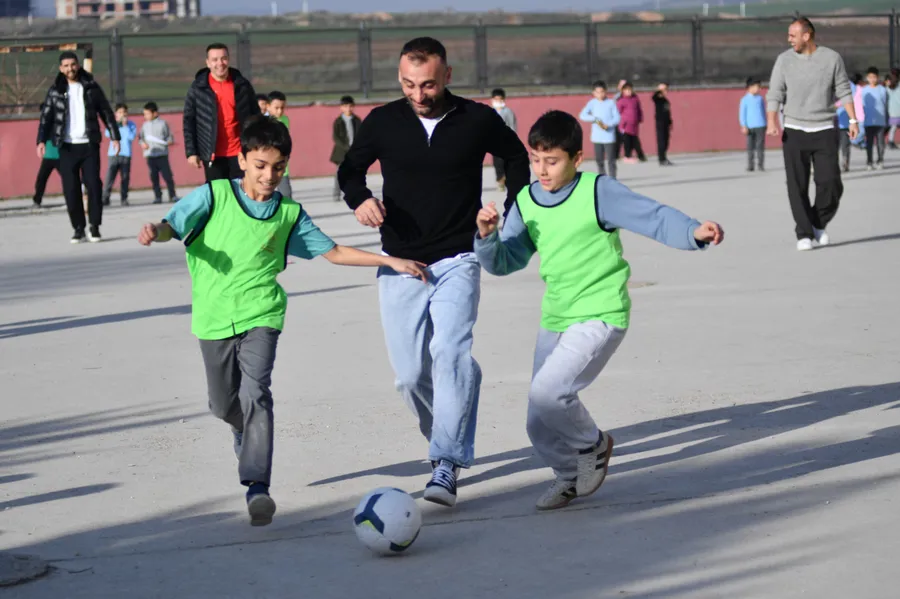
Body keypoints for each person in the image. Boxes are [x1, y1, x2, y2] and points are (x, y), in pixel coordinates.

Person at [136, 116, 426, 527]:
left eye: (278, 167)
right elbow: (173, 227)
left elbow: (333, 252)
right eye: (260, 165)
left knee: (257, 393)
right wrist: (156, 231)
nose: (269, 175)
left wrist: (390, 261)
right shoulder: (214, 195)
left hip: (263, 314)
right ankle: (243, 430)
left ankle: (257, 486)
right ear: (242, 160)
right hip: (213, 318)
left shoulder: (288, 213)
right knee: (223, 405)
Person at [473, 110, 723, 510]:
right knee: (538, 420)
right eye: (535, 159)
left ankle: (594, 445)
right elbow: (505, 262)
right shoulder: (526, 201)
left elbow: (651, 216)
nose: (542, 170)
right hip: (556, 316)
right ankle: (568, 475)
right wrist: (486, 238)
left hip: (600, 311)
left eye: (552, 161)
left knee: (549, 391)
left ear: (577, 158)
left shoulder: (597, 191)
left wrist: (692, 231)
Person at [337, 37, 530, 507]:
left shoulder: (476, 119)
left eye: (427, 84)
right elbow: (350, 170)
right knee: (409, 376)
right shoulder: (383, 121)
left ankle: (445, 460)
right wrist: (360, 199)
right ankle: (448, 420)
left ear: (447, 76)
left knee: (449, 351)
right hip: (400, 262)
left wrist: (515, 211)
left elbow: (517, 157)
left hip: (459, 256)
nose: (418, 94)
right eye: (408, 84)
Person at [766, 17, 857, 251]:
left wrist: (853, 119)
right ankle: (804, 233)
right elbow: (775, 93)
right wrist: (772, 121)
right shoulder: (784, 60)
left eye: (792, 35)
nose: (789, 39)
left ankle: (817, 223)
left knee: (831, 183)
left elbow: (844, 90)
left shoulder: (831, 58)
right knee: (797, 185)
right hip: (794, 131)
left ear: (807, 36)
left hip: (824, 129)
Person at [37, 51, 120, 243]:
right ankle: (78, 228)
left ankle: (94, 226)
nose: (70, 69)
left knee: (94, 186)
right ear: (61, 68)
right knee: (71, 189)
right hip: (66, 147)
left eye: (73, 64)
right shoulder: (55, 90)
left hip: (89, 145)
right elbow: (46, 117)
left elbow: (106, 112)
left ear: (78, 65)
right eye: (66, 66)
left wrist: (115, 137)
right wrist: (41, 140)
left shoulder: (91, 87)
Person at [183, 43, 261, 182]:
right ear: (208, 63)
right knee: (218, 194)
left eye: (223, 58)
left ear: (228, 60)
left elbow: (256, 116)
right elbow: (189, 121)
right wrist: (191, 152)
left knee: (242, 193)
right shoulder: (198, 88)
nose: (220, 63)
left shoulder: (242, 85)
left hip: (240, 152)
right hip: (212, 155)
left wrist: (257, 143)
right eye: (215, 59)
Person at [578, 80, 620, 179]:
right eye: (597, 92)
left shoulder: (611, 103)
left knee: (611, 160)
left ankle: (613, 179)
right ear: (593, 93)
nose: (600, 94)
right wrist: (594, 119)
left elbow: (617, 118)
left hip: (609, 137)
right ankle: (603, 178)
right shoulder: (592, 103)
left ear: (606, 91)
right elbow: (582, 115)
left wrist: (608, 125)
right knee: (599, 160)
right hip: (597, 137)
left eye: (602, 92)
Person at [140, 102, 179, 204]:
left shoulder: (163, 124)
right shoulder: (144, 125)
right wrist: (143, 144)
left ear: (155, 113)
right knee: (154, 177)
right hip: (150, 155)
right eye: (144, 114)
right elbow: (141, 138)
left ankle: (172, 195)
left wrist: (169, 141)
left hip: (162, 154)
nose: (145, 116)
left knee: (167, 176)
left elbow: (169, 137)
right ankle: (158, 196)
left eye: (147, 114)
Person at [102, 103, 137, 207]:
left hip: (126, 154)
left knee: (125, 177)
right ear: (116, 114)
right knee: (110, 177)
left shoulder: (131, 125)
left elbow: (131, 137)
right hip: (113, 154)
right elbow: (107, 134)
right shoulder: (112, 124)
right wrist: (116, 123)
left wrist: (125, 126)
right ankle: (105, 198)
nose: (122, 114)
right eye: (120, 112)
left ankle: (124, 198)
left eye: (124, 112)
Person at [330, 95, 361, 202]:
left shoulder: (357, 120)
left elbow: (361, 135)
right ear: (341, 108)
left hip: (354, 152)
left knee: (355, 174)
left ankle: (354, 193)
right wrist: (346, 147)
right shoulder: (338, 121)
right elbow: (336, 137)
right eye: (345, 106)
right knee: (340, 174)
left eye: (350, 106)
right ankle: (336, 194)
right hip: (341, 153)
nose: (348, 109)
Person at [490, 88, 518, 191]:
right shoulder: (490, 111)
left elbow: (512, 126)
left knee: (504, 162)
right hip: (494, 142)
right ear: (492, 100)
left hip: (505, 141)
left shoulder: (508, 112)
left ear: (503, 100)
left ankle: (504, 180)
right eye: (495, 99)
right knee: (497, 163)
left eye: (500, 99)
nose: (497, 102)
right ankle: (500, 179)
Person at [861, 66, 888, 170]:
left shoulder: (882, 90)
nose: (872, 79)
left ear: (878, 77)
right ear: (867, 78)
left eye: (874, 77)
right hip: (868, 121)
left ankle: (880, 160)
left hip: (880, 121)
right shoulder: (864, 90)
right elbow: (862, 105)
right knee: (869, 143)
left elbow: (885, 104)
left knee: (881, 143)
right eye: (870, 77)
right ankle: (869, 162)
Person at [266, 91, 292, 198]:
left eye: (282, 107)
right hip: (266, 164)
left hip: (280, 164)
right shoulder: (263, 121)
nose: (280, 111)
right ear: (268, 106)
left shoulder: (285, 120)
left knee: (286, 194)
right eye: (276, 108)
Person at [739, 78, 767, 172]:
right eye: (756, 87)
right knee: (750, 146)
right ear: (749, 87)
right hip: (750, 127)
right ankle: (750, 165)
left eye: (759, 87)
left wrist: (766, 123)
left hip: (761, 125)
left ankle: (761, 165)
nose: (758, 89)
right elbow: (742, 114)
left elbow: (763, 111)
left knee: (760, 146)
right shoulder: (744, 100)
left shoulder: (760, 99)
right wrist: (743, 125)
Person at [616, 82, 646, 164]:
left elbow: (639, 110)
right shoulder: (621, 100)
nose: (629, 92)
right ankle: (627, 156)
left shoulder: (635, 99)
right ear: (623, 91)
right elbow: (617, 113)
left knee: (635, 141)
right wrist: (621, 123)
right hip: (625, 125)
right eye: (627, 90)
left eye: (630, 90)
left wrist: (640, 118)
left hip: (634, 124)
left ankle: (641, 156)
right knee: (627, 141)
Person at [32, 134, 60, 210]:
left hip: (60, 156)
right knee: (41, 179)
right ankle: (37, 201)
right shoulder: (45, 129)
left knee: (69, 179)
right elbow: (41, 137)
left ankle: (74, 200)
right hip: (48, 156)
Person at [651, 82, 674, 166]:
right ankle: (661, 159)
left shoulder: (666, 101)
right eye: (663, 90)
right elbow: (653, 97)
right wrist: (659, 90)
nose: (665, 91)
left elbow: (668, 113)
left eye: (666, 90)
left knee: (666, 141)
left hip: (666, 123)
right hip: (660, 122)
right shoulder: (658, 99)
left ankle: (664, 157)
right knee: (661, 141)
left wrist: (670, 122)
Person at [887, 72, 900, 150]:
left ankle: (890, 141)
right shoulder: (888, 88)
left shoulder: (888, 88)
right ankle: (890, 141)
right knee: (893, 128)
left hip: (893, 111)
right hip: (893, 111)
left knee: (893, 128)